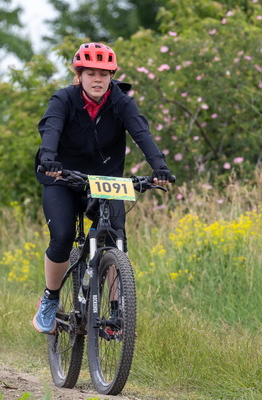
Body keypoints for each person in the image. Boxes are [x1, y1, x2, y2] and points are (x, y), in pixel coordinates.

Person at [32, 42, 173, 334]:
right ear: (79, 75)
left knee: (114, 235)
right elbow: (51, 129)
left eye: (104, 74)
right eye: (91, 73)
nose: (98, 79)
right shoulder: (63, 99)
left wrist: (159, 167)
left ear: (112, 76)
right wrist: (48, 159)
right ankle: (50, 299)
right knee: (62, 237)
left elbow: (141, 133)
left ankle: (117, 312)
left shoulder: (121, 102)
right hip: (62, 176)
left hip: (105, 180)